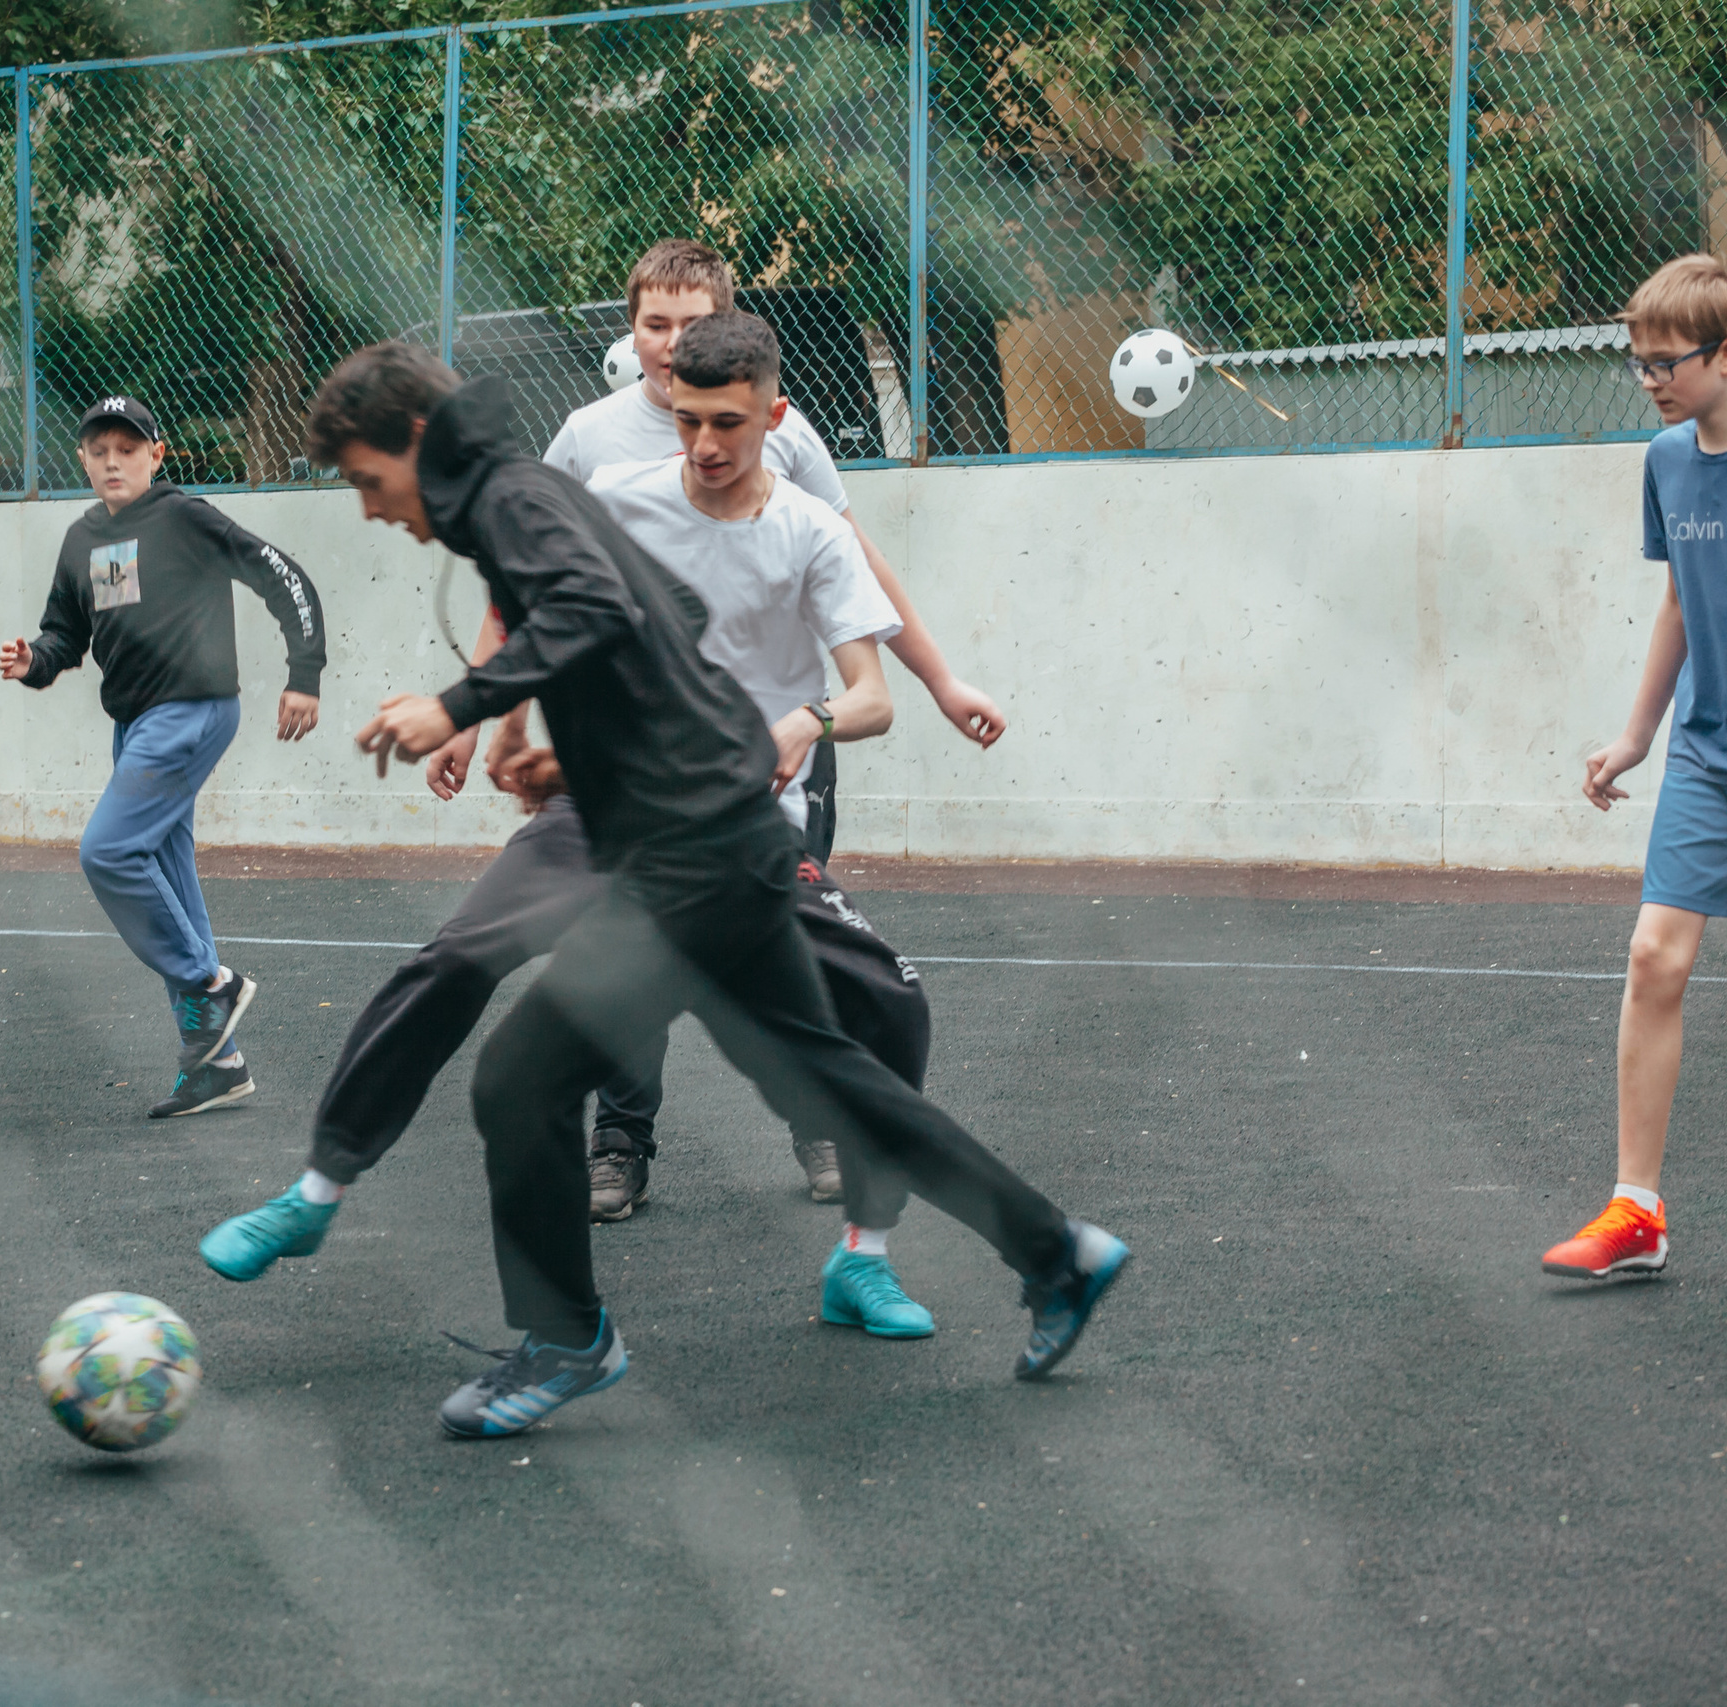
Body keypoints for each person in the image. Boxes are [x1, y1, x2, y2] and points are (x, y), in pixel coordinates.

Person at [280, 344, 1125, 1436]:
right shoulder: (533, 498)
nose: (366, 509)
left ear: (413, 445)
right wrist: (575, 756)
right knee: (833, 1078)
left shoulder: (505, 503)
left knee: (517, 1080)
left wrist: (459, 705)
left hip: (688, 855)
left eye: (364, 480)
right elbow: (663, 611)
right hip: (717, 827)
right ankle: (1058, 1253)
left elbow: (590, 611)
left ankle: (564, 1340)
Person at [202, 315, 943, 1336]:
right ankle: (317, 1194)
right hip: (601, 804)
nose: (706, 444)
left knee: (888, 1005)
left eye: (728, 423)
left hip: (729, 823)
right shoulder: (613, 494)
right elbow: (545, 605)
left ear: (772, 416)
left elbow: (855, 689)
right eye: (687, 419)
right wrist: (505, 728)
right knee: (458, 956)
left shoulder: (810, 526)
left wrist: (798, 719)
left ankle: (863, 1258)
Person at [546, 238, 1006, 1203]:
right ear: (630, 330)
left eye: (691, 324)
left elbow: (855, 566)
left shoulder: (782, 441)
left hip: (779, 746)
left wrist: (940, 681)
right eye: (654, 324)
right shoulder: (590, 443)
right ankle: (620, 1145)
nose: (673, 345)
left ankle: (824, 1124)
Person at [0, 396, 326, 1117]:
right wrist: (34, 661)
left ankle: (212, 987)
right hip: (135, 726)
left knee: (109, 852)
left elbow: (286, 577)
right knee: (167, 878)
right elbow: (64, 636)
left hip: (193, 709)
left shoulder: (186, 518)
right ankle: (215, 1063)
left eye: (128, 447)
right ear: (82, 460)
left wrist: (305, 675)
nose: (113, 460)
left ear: (159, 452)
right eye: (98, 450)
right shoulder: (81, 540)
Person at [1553, 252, 1727, 1279]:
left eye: (1669, 361)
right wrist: (1637, 735)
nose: (1653, 377)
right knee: (1653, 960)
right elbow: (1677, 600)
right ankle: (1636, 1212)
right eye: (1639, 362)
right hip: (1708, 757)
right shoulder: (1666, 461)